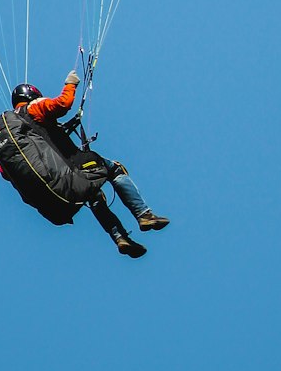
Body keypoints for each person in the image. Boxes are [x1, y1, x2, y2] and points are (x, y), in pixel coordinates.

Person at [10, 72, 169, 259]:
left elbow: (6, 171)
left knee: (92, 193)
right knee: (114, 168)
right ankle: (144, 215)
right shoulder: (34, 107)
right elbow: (63, 104)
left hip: (56, 186)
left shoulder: (16, 132)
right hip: (70, 168)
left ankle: (121, 238)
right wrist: (71, 84)